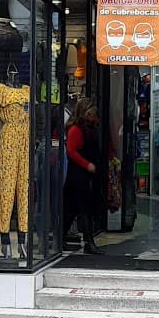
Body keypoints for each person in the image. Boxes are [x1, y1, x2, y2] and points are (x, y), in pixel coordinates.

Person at [64, 98, 103, 255]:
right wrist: (87, 164)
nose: (93, 117)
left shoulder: (89, 128)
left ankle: (62, 238)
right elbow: (71, 151)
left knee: (72, 209)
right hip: (79, 175)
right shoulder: (77, 130)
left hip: (84, 174)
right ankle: (89, 242)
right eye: (90, 114)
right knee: (82, 209)